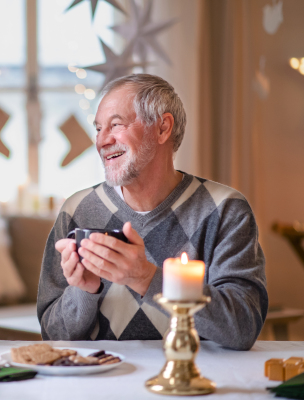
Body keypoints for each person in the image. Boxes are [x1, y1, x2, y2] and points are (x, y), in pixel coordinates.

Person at [37, 74, 267, 350]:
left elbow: (242, 328)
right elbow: (51, 337)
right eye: (99, 129)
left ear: (162, 128)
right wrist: (84, 292)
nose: (102, 141)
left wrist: (148, 278)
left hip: (195, 385)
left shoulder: (225, 209)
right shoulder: (78, 210)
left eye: (116, 125)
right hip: (103, 383)